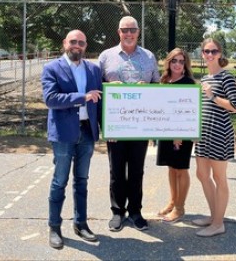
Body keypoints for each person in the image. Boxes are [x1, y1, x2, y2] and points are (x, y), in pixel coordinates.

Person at [41, 30, 103, 248]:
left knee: (82, 181)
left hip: (87, 132)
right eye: (73, 41)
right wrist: (81, 97)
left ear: (86, 46)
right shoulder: (51, 68)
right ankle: (54, 227)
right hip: (64, 134)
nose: (77, 45)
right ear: (64, 43)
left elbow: (101, 101)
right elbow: (50, 99)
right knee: (60, 181)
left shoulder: (94, 69)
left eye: (81, 43)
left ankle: (81, 223)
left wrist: (109, 130)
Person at [98, 16, 160, 232]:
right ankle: (117, 212)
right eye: (125, 29)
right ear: (119, 32)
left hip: (140, 125)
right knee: (116, 170)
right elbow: (97, 88)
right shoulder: (106, 56)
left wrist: (148, 88)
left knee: (136, 170)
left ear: (138, 31)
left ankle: (135, 211)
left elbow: (158, 88)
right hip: (116, 124)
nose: (129, 33)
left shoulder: (149, 57)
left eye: (132, 29)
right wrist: (107, 84)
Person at [193, 38, 236, 237]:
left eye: (214, 51)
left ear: (220, 53)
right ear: (202, 53)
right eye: (206, 51)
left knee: (219, 178)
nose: (210, 54)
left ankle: (218, 223)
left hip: (219, 133)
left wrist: (214, 96)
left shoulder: (226, 77)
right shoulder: (205, 78)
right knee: (202, 175)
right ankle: (213, 217)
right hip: (203, 134)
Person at [156, 48, 196, 223]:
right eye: (174, 61)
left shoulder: (188, 83)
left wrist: (179, 134)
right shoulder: (164, 80)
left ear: (185, 64)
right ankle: (172, 202)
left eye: (181, 61)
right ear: (169, 62)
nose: (178, 64)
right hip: (166, 131)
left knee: (181, 169)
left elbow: (189, 111)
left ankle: (180, 208)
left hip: (182, 133)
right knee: (171, 168)